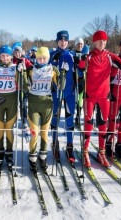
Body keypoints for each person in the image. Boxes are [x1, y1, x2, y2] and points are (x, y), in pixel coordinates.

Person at [78, 30, 121, 167]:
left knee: (103, 125)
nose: (102, 43)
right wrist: (83, 58)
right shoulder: (90, 56)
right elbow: (80, 69)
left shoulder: (110, 56)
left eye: (104, 40)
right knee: (88, 125)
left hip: (104, 96)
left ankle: (101, 152)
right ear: (94, 42)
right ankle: (85, 152)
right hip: (90, 96)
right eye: (99, 40)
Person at [0, 45, 27, 167]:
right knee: (0, 128)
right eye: (2, 55)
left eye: (7, 55)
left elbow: (24, 85)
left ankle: (9, 152)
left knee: (9, 128)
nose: (5, 58)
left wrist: (23, 72)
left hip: (11, 100)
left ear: (11, 56)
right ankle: (0, 151)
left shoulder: (15, 68)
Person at [24, 47, 64, 173]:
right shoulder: (31, 69)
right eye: (40, 58)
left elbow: (61, 85)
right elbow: (24, 86)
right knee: (34, 133)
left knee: (45, 133)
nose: (42, 60)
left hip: (47, 104)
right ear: (36, 58)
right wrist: (21, 73)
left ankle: (43, 156)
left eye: (44, 58)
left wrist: (63, 73)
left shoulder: (53, 69)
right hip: (33, 104)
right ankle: (32, 157)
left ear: (48, 58)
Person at [49, 30, 75, 162]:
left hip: (70, 92)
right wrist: (53, 63)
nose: (63, 42)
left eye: (65, 41)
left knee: (70, 118)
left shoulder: (72, 55)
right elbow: (45, 70)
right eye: (61, 40)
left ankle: (70, 146)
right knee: (55, 118)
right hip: (56, 92)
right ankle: (55, 143)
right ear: (57, 41)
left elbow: (80, 72)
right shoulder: (52, 54)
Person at [12, 42, 33, 128]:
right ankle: (13, 120)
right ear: (13, 53)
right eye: (16, 52)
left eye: (19, 52)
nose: (17, 54)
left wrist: (27, 68)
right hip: (14, 87)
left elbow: (31, 68)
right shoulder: (12, 61)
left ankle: (24, 120)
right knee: (14, 105)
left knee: (23, 105)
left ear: (21, 53)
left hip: (23, 87)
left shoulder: (25, 60)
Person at [72, 38, 89, 128]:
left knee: (84, 99)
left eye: (81, 44)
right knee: (78, 100)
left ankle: (85, 118)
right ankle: (77, 117)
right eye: (78, 44)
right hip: (76, 79)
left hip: (84, 79)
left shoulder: (86, 54)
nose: (80, 46)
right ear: (76, 45)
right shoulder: (74, 54)